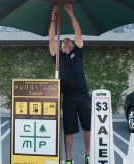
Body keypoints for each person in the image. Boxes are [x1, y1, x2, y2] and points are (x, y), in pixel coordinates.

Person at [49, 3, 91, 164]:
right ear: (61, 47)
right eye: (63, 41)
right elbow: (52, 39)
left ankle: (88, 154)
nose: (65, 41)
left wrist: (71, 15)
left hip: (83, 96)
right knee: (69, 131)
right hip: (68, 99)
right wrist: (53, 21)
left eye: (68, 40)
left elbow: (78, 32)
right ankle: (68, 159)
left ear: (73, 45)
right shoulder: (57, 57)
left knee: (87, 127)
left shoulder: (78, 52)